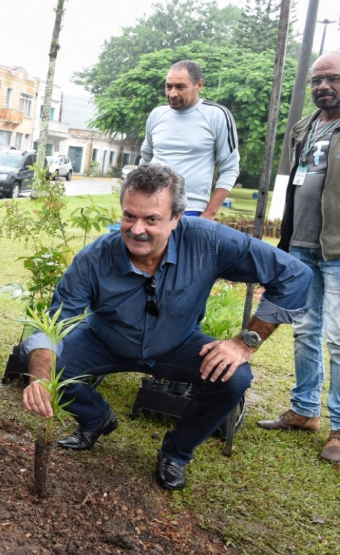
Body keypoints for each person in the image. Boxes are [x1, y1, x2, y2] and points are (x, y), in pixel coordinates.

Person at [20, 163, 311, 491]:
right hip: (105, 339)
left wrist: (245, 342)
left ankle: (177, 452)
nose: (137, 229)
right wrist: (41, 379)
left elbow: (293, 274)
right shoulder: (94, 258)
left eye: (152, 219)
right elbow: (52, 326)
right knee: (38, 360)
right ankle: (95, 418)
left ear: (176, 218)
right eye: (129, 216)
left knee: (235, 378)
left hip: (178, 344)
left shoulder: (208, 241)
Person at [257, 51, 340, 463]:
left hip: (338, 250)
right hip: (302, 247)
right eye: (316, 80)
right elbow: (289, 183)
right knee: (305, 331)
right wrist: (283, 239)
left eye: (333, 79)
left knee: (338, 340)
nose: (323, 87)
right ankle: (305, 410)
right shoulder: (303, 128)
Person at [140, 60, 240, 219]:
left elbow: (230, 168)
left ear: (199, 85)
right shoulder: (157, 115)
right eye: (168, 86)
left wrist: (209, 214)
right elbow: (145, 162)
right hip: (152, 209)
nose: (172, 93)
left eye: (180, 87)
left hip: (190, 211)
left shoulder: (216, 115)